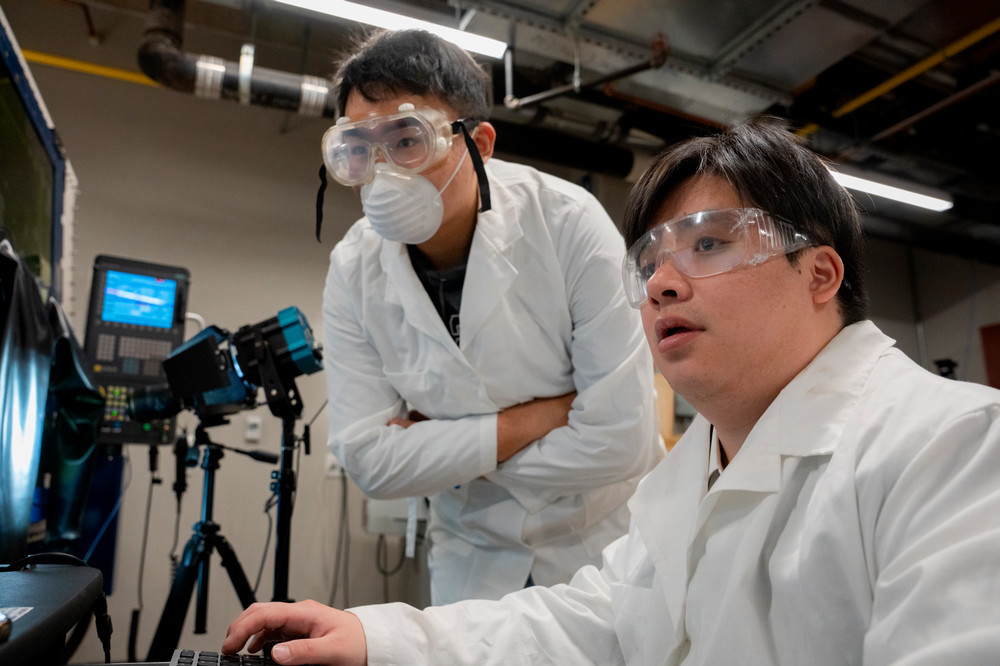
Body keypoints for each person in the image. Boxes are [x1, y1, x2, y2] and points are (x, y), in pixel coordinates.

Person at [225, 118, 1000, 664]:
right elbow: (597, 623)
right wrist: (380, 638)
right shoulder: (688, 480)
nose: (662, 281)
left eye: (709, 243)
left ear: (820, 275)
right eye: (653, 258)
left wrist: (444, 447)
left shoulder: (956, 450)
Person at [318, 29, 662, 605]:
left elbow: (618, 442)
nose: (381, 171)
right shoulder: (353, 267)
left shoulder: (569, 224)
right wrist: (539, 420)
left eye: (407, 139)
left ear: (478, 143)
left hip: (599, 549)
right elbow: (370, 463)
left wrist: (438, 450)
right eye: (358, 147)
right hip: (472, 558)